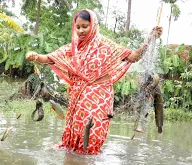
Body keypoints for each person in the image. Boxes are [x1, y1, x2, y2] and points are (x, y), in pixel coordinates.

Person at [25, 9, 163, 155]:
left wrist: (150, 38)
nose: (81, 30)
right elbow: (49, 58)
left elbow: (133, 56)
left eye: (85, 26)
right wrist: (35, 56)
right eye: (78, 27)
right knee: (77, 133)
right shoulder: (73, 48)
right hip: (78, 96)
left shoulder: (106, 46)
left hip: (100, 95)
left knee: (94, 132)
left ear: (93, 25)